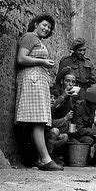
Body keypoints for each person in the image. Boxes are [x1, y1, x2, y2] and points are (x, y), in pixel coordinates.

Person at [15, 14, 63, 171]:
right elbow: (21, 59)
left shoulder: (39, 41)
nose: (46, 28)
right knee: (37, 121)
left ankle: (40, 158)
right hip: (31, 81)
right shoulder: (29, 37)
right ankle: (44, 159)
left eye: (49, 27)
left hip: (38, 82)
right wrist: (42, 61)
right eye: (44, 25)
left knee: (39, 121)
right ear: (36, 24)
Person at [72, 83, 96, 148]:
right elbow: (79, 130)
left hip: (94, 134)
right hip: (79, 136)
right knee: (89, 140)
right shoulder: (79, 108)